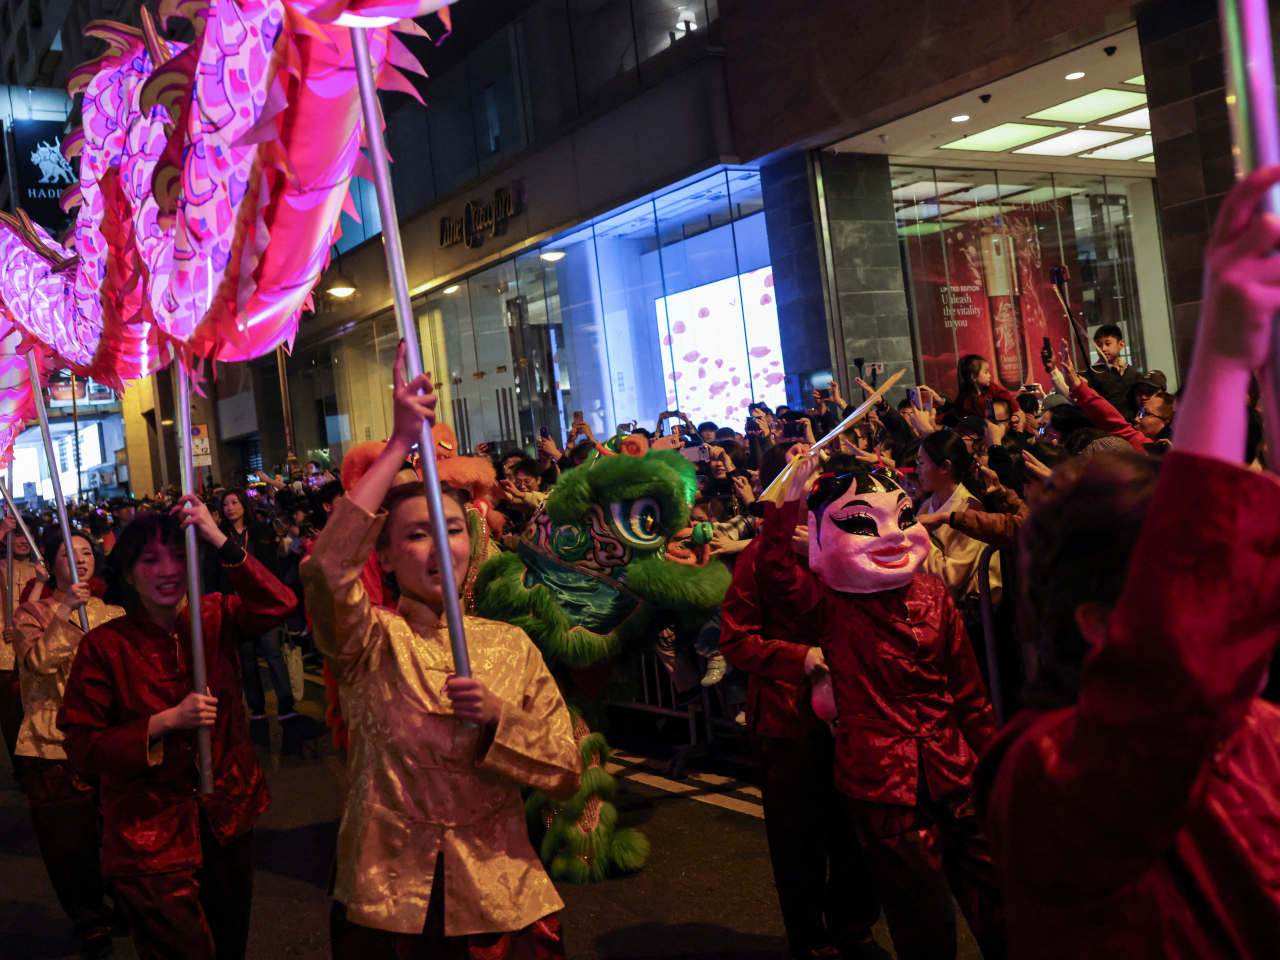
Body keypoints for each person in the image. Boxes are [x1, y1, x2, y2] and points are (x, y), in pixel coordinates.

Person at [975, 163, 1280, 959]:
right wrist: (1221, 359)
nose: (1218, 586)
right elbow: (1164, 690)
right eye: (1179, 569)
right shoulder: (1043, 775)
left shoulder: (1257, 730)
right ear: (1098, 618)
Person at [301, 342, 582, 959]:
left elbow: (566, 770)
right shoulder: (369, 640)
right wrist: (400, 443)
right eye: (416, 535)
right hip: (387, 903)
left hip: (497, 900)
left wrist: (499, 718)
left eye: (451, 530)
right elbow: (326, 571)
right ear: (384, 555)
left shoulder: (510, 646)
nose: (439, 549)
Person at [756, 452, 1004, 960]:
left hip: (954, 768)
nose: (891, 535)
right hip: (880, 781)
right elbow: (774, 570)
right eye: (861, 524)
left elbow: (971, 696)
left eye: (903, 517)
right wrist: (787, 500)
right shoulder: (830, 603)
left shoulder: (934, 595)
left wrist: (998, 772)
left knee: (1000, 903)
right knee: (923, 921)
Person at [58, 495, 297, 960]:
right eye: (150, 560)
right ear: (129, 574)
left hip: (226, 819)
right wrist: (164, 722)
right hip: (149, 839)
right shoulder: (105, 646)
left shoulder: (216, 615)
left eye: (178, 557)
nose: (168, 571)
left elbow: (279, 603)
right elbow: (83, 744)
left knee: (229, 947)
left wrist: (218, 537)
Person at [719, 452, 886, 960]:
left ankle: (854, 927)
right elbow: (735, 640)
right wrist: (801, 658)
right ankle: (810, 939)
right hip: (786, 719)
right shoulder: (759, 556)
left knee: (859, 832)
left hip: (854, 714)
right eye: (804, 482)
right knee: (799, 842)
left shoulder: (851, 548)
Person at [12, 529, 123, 959]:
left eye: (86, 551)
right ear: (51, 562)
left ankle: (127, 904)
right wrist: (65, 611)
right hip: (52, 745)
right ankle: (90, 918)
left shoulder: (113, 612)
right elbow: (38, 662)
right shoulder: (31, 613)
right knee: (69, 845)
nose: (80, 558)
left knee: (119, 833)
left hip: (108, 741)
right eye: (67, 552)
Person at [213, 488, 297, 721]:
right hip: (235, 603)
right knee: (246, 657)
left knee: (273, 652)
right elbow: (212, 570)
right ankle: (256, 708)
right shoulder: (219, 535)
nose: (230, 508)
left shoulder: (260, 530)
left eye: (234, 502)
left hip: (262, 600)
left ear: (244, 505)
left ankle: (286, 705)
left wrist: (278, 596)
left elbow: (272, 566)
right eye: (226, 504)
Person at [917, 430, 1001, 621]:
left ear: (944, 467)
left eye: (921, 463)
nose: (916, 470)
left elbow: (950, 579)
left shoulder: (970, 510)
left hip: (966, 617)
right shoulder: (928, 504)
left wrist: (919, 537)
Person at [1082, 323, 1140, 417]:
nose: (1103, 349)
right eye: (1099, 345)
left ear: (1121, 345)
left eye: (1107, 344)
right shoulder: (1092, 373)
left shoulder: (1131, 372)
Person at [954, 354, 1017, 419]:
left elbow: (1010, 399)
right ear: (974, 377)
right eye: (986, 372)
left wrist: (1017, 413)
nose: (989, 375)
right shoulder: (964, 398)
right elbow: (954, 413)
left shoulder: (992, 388)